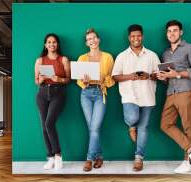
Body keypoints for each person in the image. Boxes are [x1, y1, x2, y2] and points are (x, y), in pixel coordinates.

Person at [156, 20, 191, 173]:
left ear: (181, 32)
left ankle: (188, 162)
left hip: (186, 90)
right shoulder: (165, 53)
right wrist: (164, 77)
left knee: (188, 126)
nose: (172, 34)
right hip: (171, 92)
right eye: (169, 31)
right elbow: (169, 74)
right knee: (165, 124)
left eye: (175, 31)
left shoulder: (190, 48)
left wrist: (177, 74)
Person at [112, 24, 160, 172]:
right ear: (129, 38)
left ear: (142, 36)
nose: (136, 38)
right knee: (133, 118)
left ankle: (139, 158)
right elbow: (115, 76)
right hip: (129, 96)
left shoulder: (152, 55)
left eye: (138, 35)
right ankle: (131, 126)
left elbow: (160, 75)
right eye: (133, 36)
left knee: (144, 128)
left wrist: (149, 76)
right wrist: (132, 76)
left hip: (148, 96)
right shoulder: (122, 56)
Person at [77, 28, 115, 172]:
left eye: (94, 38)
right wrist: (84, 82)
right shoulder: (82, 58)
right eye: (89, 39)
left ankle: (89, 159)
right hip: (85, 93)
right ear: (86, 43)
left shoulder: (108, 57)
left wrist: (104, 80)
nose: (92, 41)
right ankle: (99, 156)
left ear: (98, 40)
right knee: (93, 128)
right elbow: (79, 80)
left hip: (100, 93)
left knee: (94, 128)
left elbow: (112, 79)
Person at [34, 33, 70, 170]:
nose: (51, 44)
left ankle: (58, 155)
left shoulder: (64, 59)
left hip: (58, 93)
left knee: (49, 123)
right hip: (42, 94)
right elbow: (36, 80)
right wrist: (40, 80)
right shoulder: (40, 61)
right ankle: (50, 157)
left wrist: (59, 79)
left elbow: (68, 79)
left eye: (54, 42)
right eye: (49, 42)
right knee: (44, 126)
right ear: (45, 45)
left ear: (57, 44)